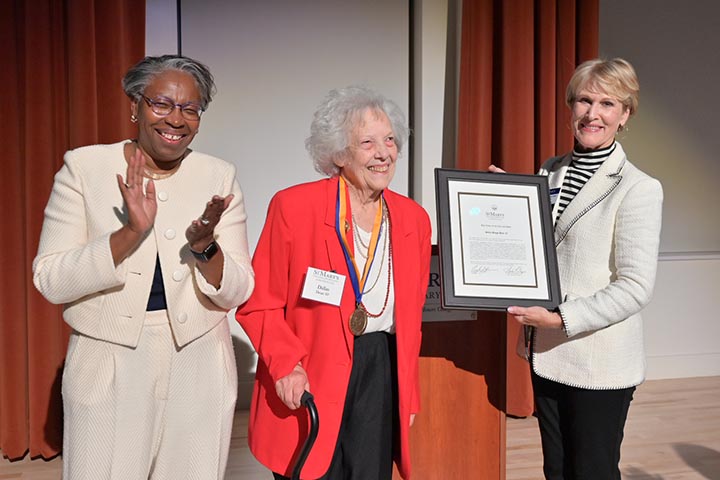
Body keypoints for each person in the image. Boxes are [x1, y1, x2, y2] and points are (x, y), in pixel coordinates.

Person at [32, 55, 254, 479]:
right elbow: (51, 279)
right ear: (135, 105)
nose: (177, 119)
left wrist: (207, 248)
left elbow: (239, 289)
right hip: (108, 359)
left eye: (191, 109)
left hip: (199, 360)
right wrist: (128, 234)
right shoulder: (85, 169)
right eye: (162, 104)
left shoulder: (218, 176)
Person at [236, 86, 431, 480]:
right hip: (310, 363)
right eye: (367, 142)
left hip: (380, 368)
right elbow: (259, 304)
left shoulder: (413, 220)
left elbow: (412, 321)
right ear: (339, 154)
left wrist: (407, 392)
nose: (383, 153)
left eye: (390, 140)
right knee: (312, 471)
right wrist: (286, 365)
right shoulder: (294, 208)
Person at [500, 58, 663, 479]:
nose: (594, 113)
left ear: (625, 115)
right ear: (571, 107)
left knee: (592, 471)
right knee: (557, 470)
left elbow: (635, 287)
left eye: (608, 103)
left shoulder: (638, 188)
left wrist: (559, 318)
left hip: (599, 361)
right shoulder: (548, 172)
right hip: (546, 354)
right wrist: (502, 200)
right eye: (585, 100)